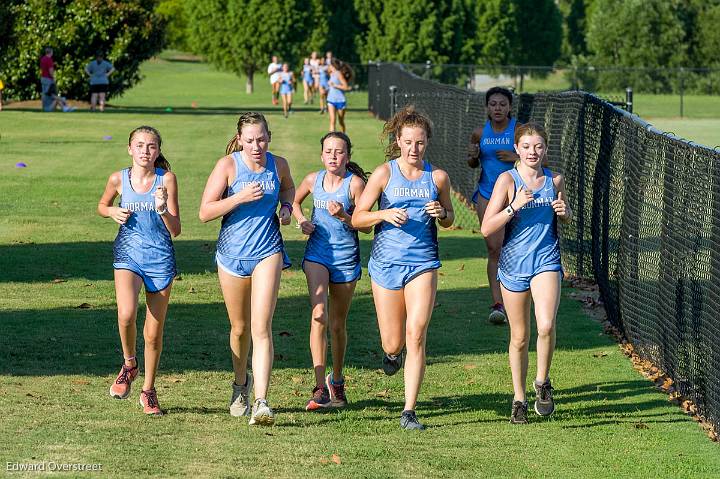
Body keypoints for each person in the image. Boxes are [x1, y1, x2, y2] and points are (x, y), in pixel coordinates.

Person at [351, 105, 455, 430]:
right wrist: (383, 214)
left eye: (420, 143)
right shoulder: (384, 174)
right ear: (398, 140)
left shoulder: (437, 177)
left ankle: (409, 411)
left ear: (427, 143)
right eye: (408, 142)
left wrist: (441, 212)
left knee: (417, 333)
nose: (414, 149)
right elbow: (357, 218)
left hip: (423, 263)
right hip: (385, 265)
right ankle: (392, 355)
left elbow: (450, 218)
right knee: (393, 342)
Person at [199, 112, 295, 426]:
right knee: (239, 329)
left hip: (268, 251)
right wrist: (238, 197)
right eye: (250, 140)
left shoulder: (278, 165)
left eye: (262, 139)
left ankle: (262, 402)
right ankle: (241, 385)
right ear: (240, 139)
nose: (257, 145)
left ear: (269, 136)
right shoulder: (227, 166)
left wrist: (286, 207)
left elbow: (288, 189)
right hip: (231, 255)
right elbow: (204, 212)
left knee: (261, 327)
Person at [480, 121, 571, 424]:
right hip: (513, 264)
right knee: (519, 337)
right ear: (517, 149)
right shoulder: (507, 180)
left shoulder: (555, 180)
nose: (533, 152)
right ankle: (519, 397)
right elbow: (486, 227)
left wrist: (566, 213)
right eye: (527, 147)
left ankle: (542, 383)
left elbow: (565, 214)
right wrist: (513, 206)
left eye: (539, 146)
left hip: (546, 260)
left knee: (545, 325)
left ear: (546, 149)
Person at [97, 126, 181, 416]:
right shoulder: (118, 179)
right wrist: (111, 212)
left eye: (152, 146)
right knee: (126, 313)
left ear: (158, 151)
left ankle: (148, 390)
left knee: (153, 334)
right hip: (128, 255)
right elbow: (102, 205)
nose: (146, 151)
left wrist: (162, 209)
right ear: (129, 149)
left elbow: (176, 229)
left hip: (160, 258)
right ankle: (129, 364)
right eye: (140, 145)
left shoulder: (166, 179)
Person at [292, 132, 371, 411]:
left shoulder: (356, 185)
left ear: (347, 157)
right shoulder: (313, 180)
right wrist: (302, 221)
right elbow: (295, 202)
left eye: (339, 152)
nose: (333, 156)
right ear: (321, 155)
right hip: (317, 255)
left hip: (346, 259)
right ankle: (318, 387)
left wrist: (344, 216)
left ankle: (336, 380)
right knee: (319, 315)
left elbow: (365, 225)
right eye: (328, 151)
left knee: (337, 324)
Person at [467, 87, 519, 325]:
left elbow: (543, 160)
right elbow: (471, 162)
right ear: (487, 107)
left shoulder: (519, 131)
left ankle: (517, 295)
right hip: (487, 195)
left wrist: (515, 158)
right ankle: (498, 303)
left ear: (509, 107)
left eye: (502, 104)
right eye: (493, 104)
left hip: (518, 195)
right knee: (493, 248)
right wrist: (473, 156)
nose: (497, 108)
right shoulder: (479, 132)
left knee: (515, 249)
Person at [327, 59, 353, 133]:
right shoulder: (331, 74)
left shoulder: (339, 74)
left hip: (340, 100)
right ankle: (331, 140)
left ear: (333, 66)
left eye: (330, 65)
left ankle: (344, 137)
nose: (329, 67)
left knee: (341, 121)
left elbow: (345, 87)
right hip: (331, 100)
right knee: (332, 121)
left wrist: (335, 85)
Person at [40, 47, 57, 112]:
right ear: (51, 52)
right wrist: (53, 77)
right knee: (50, 94)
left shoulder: (43, 59)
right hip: (48, 78)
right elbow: (51, 71)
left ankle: (44, 107)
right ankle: (49, 108)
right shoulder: (49, 59)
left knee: (44, 94)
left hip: (43, 78)